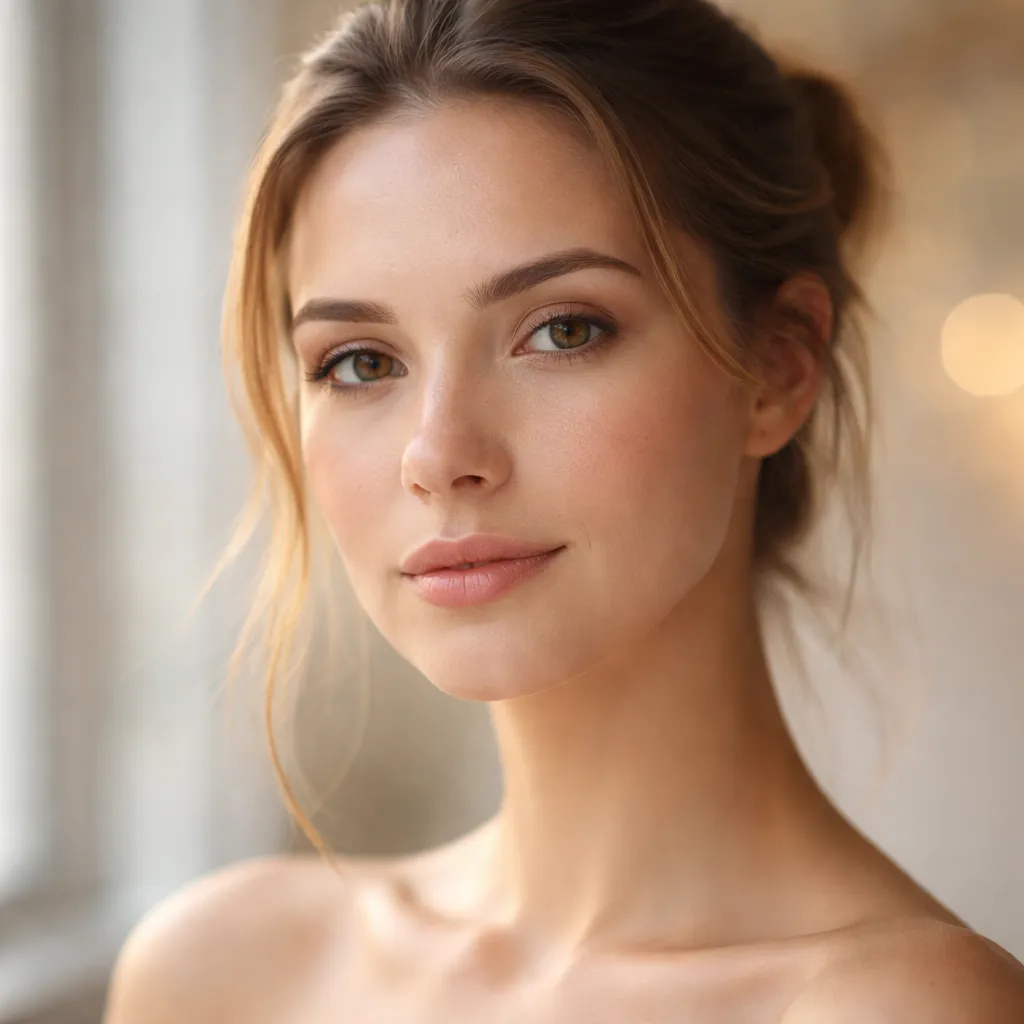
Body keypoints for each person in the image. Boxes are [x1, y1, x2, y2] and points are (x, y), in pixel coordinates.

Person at [104, 0, 1024, 1020]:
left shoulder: (900, 1006)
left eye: (563, 330)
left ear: (775, 367)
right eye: (361, 362)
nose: (439, 455)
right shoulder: (218, 971)